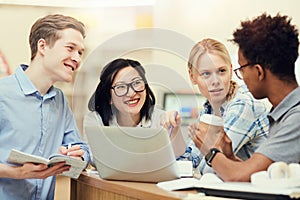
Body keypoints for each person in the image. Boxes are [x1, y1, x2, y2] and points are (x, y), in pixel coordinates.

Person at [189, 13, 300, 181]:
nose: (240, 77)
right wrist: (230, 157)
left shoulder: (295, 119)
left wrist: (212, 152)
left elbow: (238, 176)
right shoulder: (283, 115)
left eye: (241, 69)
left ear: (258, 72)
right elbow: (260, 175)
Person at [0, 14, 91, 199]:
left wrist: (78, 156)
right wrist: (17, 173)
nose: (77, 58)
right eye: (70, 48)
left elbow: (81, 148)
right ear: (42, 46)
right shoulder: (3, 93)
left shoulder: (59, 100)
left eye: (80, 52)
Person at [175, 38, 269, 174]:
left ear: (231, 70)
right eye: (206, 74)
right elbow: (191, 160)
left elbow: (210, 169)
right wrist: (173, 134)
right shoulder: (210, 108)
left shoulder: (243, 105)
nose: (215, 81)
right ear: (192, 76)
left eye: (221, 71)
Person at [84, 58, 186, 156]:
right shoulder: (96, 120)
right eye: (121, 87)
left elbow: (181, 160)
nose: (132, 93)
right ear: (109, 97)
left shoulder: (161, 119)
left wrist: (175, 131)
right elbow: (95, 159)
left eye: (137, 83)